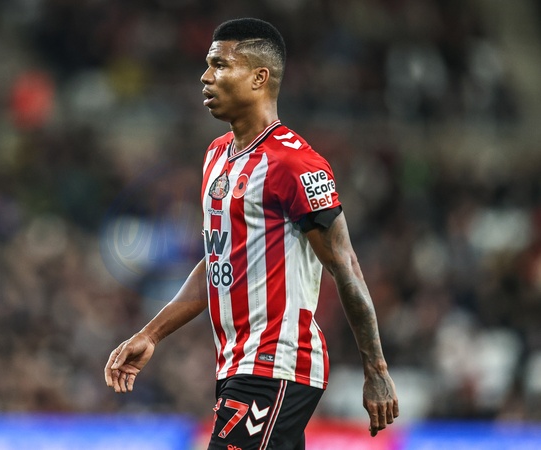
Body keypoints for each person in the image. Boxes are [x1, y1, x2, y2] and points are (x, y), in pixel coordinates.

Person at [105, 18, 399, 450]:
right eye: (208, 65)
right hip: (235, 367)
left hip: (277, 364)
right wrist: (151, 334)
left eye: (220, 65)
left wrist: (376, 370)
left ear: (260, 77)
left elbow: (345, 264)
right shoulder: (216, 156)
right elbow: (218, 261)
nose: (206, 76)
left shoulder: (294, 163)